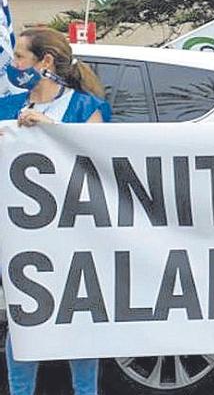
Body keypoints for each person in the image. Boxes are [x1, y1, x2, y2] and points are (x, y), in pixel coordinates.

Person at [0, 27, 110, 395]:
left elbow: (99, 165)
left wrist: (52, 130)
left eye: (19, 57)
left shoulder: (85, 107)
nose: (12, 64)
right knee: (25, 323)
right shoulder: (7, 107)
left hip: (75, 237)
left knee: (78, 326)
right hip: (23, 239)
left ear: (44, 62)